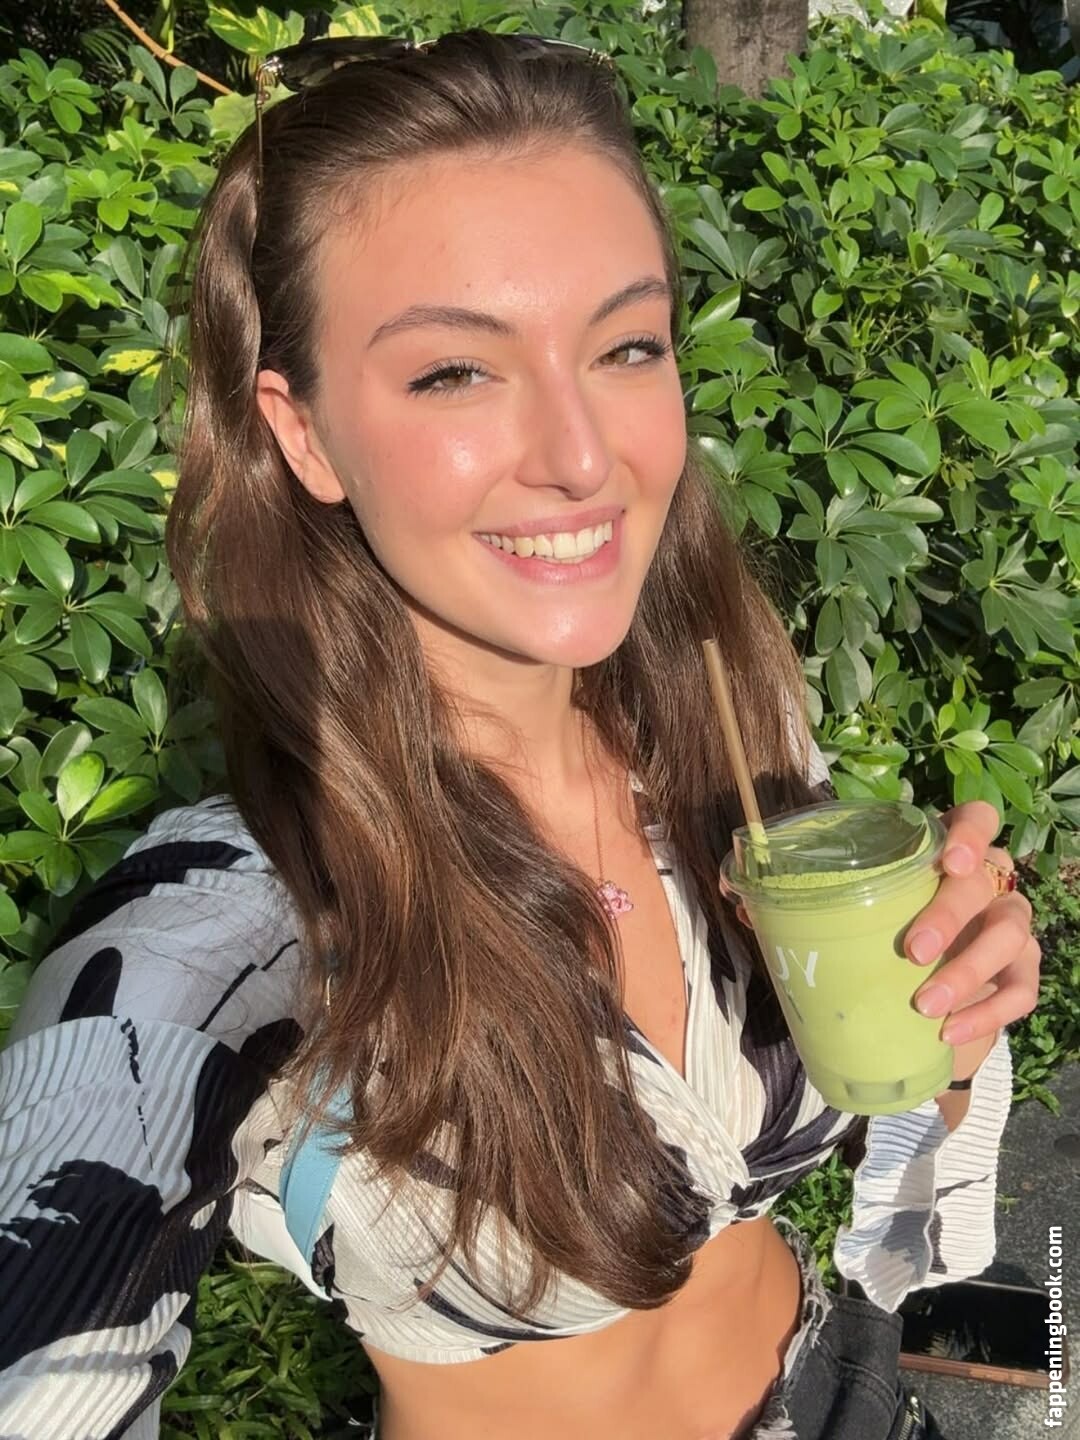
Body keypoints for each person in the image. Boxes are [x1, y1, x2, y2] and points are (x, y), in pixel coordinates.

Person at [0, 28, 1041, 1440]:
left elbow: (883, 1134)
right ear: (302, 435)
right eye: (453, 373)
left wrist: (948, 1029)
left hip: (847, 1388)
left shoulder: (726, 734)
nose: (581, 454)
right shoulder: (221, 931)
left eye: (626, 346)